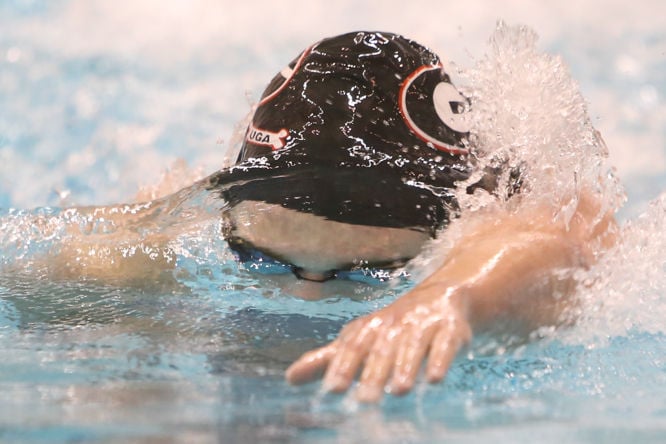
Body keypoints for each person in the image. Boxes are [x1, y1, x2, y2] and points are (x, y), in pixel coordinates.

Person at [36, 31, 618, 402]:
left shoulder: (502, 221)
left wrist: (443, 297)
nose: (305, 303)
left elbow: (550, 247)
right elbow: (62, 268)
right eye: (261, 259)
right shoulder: (184, 220)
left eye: (368, 273)